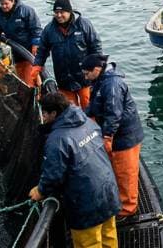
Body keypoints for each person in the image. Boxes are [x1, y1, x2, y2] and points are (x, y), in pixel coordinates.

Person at [29, 92, 120, 248]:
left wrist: (40, 191)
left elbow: (53, 175)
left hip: (86, 205)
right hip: (109, 193)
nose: (42, 117)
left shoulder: (57, 139)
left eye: (44, 113)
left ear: (54, 113)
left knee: (89, 243)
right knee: (108, 236)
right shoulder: (88, 122)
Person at [82, 53, 144, 219]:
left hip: (125, 137)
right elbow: (94, 105)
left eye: (87, 73)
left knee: (126, 173)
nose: (85, 77)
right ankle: (121, 200)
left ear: (97, 69)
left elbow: (113, 114)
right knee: (118, 170)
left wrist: (107, 137)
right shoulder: (100, 80)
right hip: (116, 133)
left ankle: (128, 209)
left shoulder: (113, 85)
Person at [33, 0, 101, 109]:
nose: (59, 15)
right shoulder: (49, 30)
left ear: (70, 12)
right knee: (69, 110)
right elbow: (42, 50)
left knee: (89, 107)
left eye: (62, 12)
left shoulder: (84, 25)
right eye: (56, 12)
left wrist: (97, 67)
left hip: (84, 77)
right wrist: (37, 65)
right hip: (63, 79)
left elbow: (95, 46)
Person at [0, 0, 42, 86]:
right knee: (20, 73)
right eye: (2, 4)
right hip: (15, 49)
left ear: (13, 1)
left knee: (31, 73)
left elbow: (36, 29)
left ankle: (37, 89)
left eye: (6, 3)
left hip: (29, 49)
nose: (4, 6)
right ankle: (30, 87)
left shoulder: (26, 11)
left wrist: (35, 44)